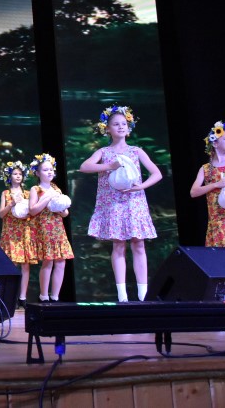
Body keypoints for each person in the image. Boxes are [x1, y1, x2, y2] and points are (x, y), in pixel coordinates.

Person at [80, 104, 161, 302]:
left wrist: (140, 187)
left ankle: (143, 293)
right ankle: (122, 294)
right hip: (113, 204)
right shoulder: (104, 152)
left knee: (138, 244)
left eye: (124, 124)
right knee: (118, 245)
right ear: (107, 128)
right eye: (116, 124)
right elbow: (84, 167)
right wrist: (109, 165)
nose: (121, 127)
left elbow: (156, 173)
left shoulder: (136, 151)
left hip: (134, 202)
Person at [28, 153, 73, 302]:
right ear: (37, 173)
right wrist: (47, 197)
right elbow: (32, 210)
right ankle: (44, 295)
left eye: (51, 169)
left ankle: (55, 296)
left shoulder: (56, 188)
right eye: (45, 170)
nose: (49, 172)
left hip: (57, 228)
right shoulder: (36, 189)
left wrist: (62, 208)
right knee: (48, 260)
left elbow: (65, 213)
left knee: (61, 261)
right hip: (44, 228)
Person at [190, 121, 225, 247]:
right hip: (219, 224)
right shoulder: (206, 169)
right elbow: (193, 192)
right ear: (215, 143)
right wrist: (216, 184)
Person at [0, 161, 36, 308]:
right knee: (11, 264)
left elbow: (33, 212)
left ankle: (23, 297)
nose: (18, 176)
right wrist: (11, 204)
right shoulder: (6, 193)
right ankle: (10, 297)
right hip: (10, 232)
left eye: (20, 174)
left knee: (25, 265)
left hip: (24, 231)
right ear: (9, 176)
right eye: (15, 173)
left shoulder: (28, 194)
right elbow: (1, 214)